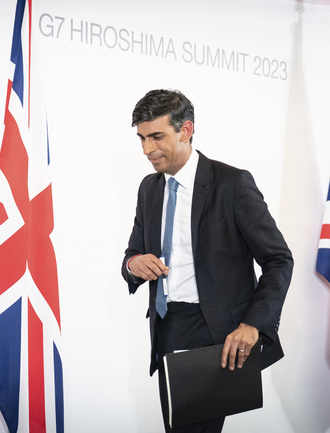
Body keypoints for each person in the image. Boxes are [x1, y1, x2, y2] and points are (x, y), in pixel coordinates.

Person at [121, 89, 293, 432]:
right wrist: (134, 264)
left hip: (215, 334)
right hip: (166, 329)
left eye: (157, 137)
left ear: (185, 130)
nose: (147, 149)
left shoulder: (232, 184)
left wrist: (252, 325)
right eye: (142, 138)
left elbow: (278, 260)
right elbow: (132, 254)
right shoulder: (149, 188)